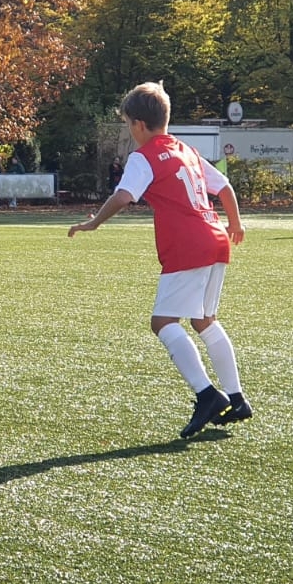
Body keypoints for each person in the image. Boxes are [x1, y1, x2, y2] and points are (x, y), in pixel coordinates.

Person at [68, 82, 249, 438]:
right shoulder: (186, 150)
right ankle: (237, 398)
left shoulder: (145, 156)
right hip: (216, 240)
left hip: (188, 246)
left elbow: (124, 196)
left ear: (138, 124)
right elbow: (224, 186)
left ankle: (207, 395)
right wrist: (236, 223)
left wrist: (94, 222)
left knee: (163, 322)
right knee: (204, 321)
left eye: (127, 125)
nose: (129, 131)